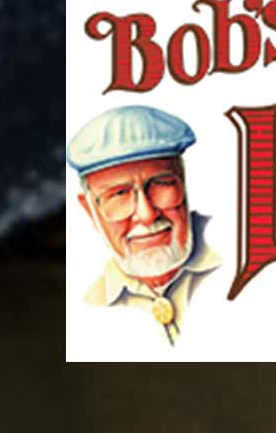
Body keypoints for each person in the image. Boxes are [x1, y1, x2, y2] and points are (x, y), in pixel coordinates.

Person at [69, 103, 219, 341]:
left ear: (184, 184)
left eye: (161, 184)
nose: (147, 214)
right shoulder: (85, 306)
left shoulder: (236, 257)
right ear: (90, 210)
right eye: (119, 195)